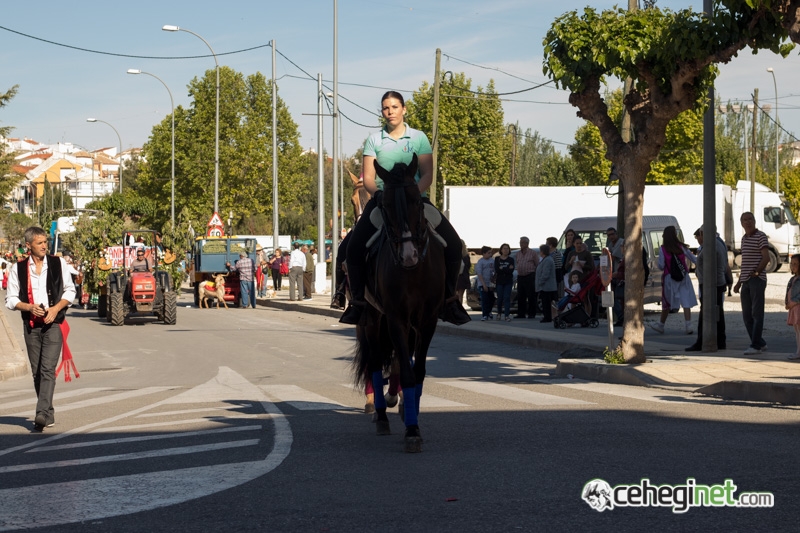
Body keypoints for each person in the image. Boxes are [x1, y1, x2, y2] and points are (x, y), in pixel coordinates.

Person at [338, 91, 470, 326]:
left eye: (394, 107)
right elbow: (368, 177)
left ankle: (449, 301)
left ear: (404, 109)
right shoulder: (374, 140)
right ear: (382, 112)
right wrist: (379, 195)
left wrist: (413, 195)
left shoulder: (418, 138)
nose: (390, 112)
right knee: (352, 246)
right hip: (383, 203)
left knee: (453, 244)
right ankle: (356, 303)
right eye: (386, 108)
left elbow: (428, 174)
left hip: (416, 200)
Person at [5, 226, 76, 432]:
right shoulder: (17, 269)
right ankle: (48, 412)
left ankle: (41, 413)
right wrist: (28, 307)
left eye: (45, 242)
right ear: (28, 246)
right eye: (40, 243)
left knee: (47, 369)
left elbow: (70, 291)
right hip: (31, 325)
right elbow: (11, 299)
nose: (44, 246)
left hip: (53, 323)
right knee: (37, 372)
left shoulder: (57, 263)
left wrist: (55, 308)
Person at [686, 227, 729, 351]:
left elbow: (709, 264)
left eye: (700, 234)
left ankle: (702, 341)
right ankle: (720, 341)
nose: (700, 237)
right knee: (717, 312)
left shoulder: (712, 245)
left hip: (711, 284)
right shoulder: (718, 243)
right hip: (713, 282)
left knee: (706, 312)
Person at [734, 211, 770, 354]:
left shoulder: (760, 236)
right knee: (747, 315)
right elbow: (745, 263)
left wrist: (757, 272)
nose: (748, 222)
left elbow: (766, 257)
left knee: (757, 313)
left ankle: (755, 345)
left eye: (750, 219)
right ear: (741, 223)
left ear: (754, 221)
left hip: (757, 280)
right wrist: (738, 282)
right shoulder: (744, 239)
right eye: (744, 220)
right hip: (746, 281)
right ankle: (760, 343)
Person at [650, 226, 697, 335]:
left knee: (667, 301)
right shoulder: (681, 247)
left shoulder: (663, 249)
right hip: (683, 276)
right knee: (685, 300)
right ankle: (688, 325)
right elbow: (693, 259)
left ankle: (661, 325)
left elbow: (661, 266)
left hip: (669, 278)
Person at [515, 236, 539, 319]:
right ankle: (521, 313)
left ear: (527, 243)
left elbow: (537, 264)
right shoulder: (518, 253)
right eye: (520, 242)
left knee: (531, 296)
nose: (521, 244)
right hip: (520, 277)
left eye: (522, 243)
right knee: (521, 296)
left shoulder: (533, 253)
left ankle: (531, 313)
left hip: (530, 276)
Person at [535, 244, 557, 323]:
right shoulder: (545, 259)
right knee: (545, 303)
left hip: (547, 286)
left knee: (546, 303)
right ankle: (547, 316)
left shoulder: (547, 260)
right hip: (545, 286)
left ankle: (547, 317)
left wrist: (540, 282)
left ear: (542, 251)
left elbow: (545, 273)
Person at [494, 243, 515, 322]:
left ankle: (507, 315)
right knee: (500, 298)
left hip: (508, 281)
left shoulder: (511, 259)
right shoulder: (497, 259)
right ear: (501, 250)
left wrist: (502, 268)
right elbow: (497, 270)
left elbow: (511, 271)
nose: (506, 250)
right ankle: (499, 313)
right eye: (504, 248)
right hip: (499, 281)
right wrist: (505, 269)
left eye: (507, 248)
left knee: (507, 298)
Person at [785, 255, 800, 361]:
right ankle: (798, 351)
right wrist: (787, 302)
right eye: (791, 264)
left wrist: (794, 302)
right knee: (797, 331)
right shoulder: (793, 279)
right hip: (793, 308)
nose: (793, 266)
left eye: (795, 264)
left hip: (797, 307)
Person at [475, 246, 495, 321]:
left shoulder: (492, 261)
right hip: (483, 283)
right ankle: (485, 315)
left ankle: (489, 311)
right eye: (488, 253)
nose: (490, 254)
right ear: (483, 253)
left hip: (491, 283)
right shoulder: (480, 262)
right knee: (485, 299)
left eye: (490, 253)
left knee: (492, 298)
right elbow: (479, 274)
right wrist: (483, 285)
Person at [456, 240, 471, 307]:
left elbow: (468, 266)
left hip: (461, 277)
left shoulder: (466, 256)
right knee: (458, 295)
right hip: (458, 277)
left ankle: (459, 308)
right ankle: (458, 308)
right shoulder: (465, 256)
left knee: (459, 295)